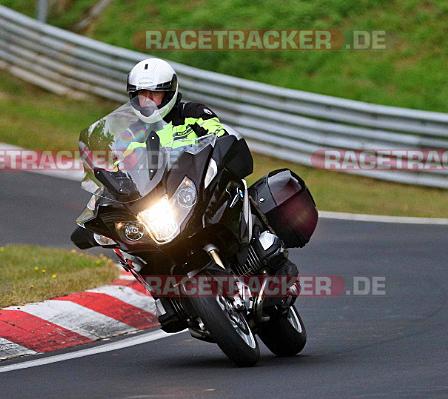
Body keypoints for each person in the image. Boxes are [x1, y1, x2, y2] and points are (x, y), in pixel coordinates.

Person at [73, 58, 298, 284]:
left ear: (169, 93)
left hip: (199, 187)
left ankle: (264, 247)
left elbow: (218, 134)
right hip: (163, 199)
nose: (147, 101)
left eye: (154, 95)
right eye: (142, 95)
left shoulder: (192, 112)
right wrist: (103, 197)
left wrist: (222, 144)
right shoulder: (132, 133)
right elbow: (122, 166)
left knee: (233, 192)